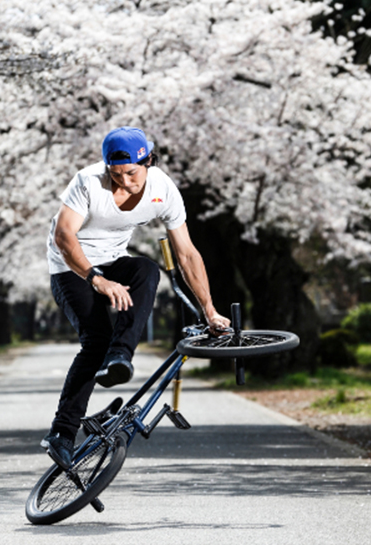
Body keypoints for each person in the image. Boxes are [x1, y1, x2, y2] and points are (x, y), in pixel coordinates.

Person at [40, 126, 231, 469]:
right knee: (95, 341)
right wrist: (96, 279)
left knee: (147, 270)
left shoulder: (163, 189)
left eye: (131, 173)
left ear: (149, 162)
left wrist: (209, 310)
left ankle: (120, 359)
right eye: (115, 175)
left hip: (114, 261)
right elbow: (64, 237)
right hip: (72, 268)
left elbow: (187, 254)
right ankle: (61, 433)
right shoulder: (87, 182)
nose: (124, 182)